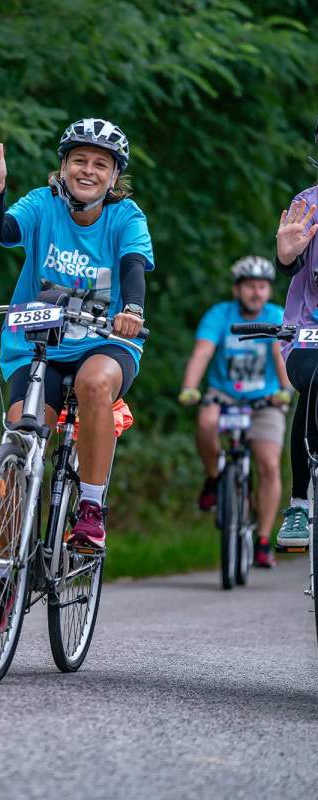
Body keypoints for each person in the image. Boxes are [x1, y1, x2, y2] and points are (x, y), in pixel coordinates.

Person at [0, 117, 154, 551]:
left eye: (100, 164)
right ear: (63, 167)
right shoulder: (41, 204)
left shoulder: (126, 217)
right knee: (19, 445)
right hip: (37, 344)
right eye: (79, 160)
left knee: (94, 383)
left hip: (105, 341)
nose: (88, 170)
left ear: (115, 175)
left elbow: (133, 266)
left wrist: (132, 310)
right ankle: (3, 570)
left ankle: (90, 508)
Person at [178, 257, 290, 568]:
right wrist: (190, 387)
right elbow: (203, 352)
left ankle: (264, 540)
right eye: (251, 286)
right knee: (206, 422)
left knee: (268, 464)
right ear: (237, 289)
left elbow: (280, 356)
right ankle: (214, 478)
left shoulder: (275, 315)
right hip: (224, 395)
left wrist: (285, 390)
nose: (257, 292)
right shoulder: (219, 315)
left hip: (265, 400)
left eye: (263, 286)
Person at [273, 166, 318, 549]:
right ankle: (299, 504)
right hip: (308, 335)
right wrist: (287, 256)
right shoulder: (308, 203)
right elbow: (290, 263)